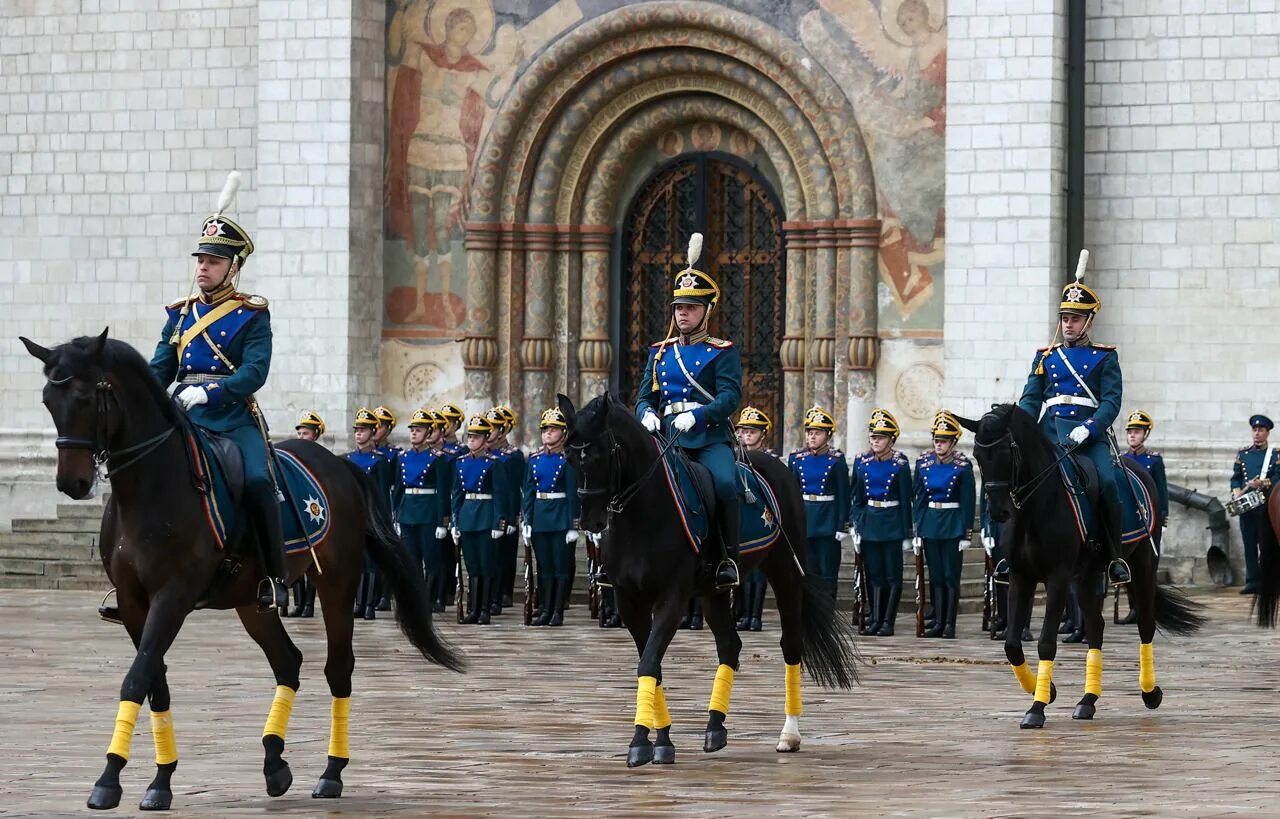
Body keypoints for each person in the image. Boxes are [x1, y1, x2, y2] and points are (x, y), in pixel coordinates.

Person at [148, 204, 287, 611]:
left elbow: (255, 372)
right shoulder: (179, 314)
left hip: (231, 416)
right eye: (201, 260)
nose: (203, 268)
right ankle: (135, 571)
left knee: (260, 481)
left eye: (213, 261)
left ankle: (273, 577)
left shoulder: (251, 314)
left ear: (234, 267)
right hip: (183, 416)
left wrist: (211, 392)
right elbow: (160, 369)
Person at [633, 233, 743, 590]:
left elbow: (730, 397)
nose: (683, 312)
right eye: (679, 307)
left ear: (707, 311)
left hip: (707, 438)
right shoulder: (659, 352)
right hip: (667, 438)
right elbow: (643, 397)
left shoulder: (721, 351)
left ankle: (727, 559)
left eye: (691, 307)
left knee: (726, 483)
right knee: (630, 486)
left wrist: (698, 415)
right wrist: (645, 414)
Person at [1016, 269, 1131, 586]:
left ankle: (1113, 556)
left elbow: (1111, 402)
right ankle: (1007, 552)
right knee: (1012, 478)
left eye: (1076, 318)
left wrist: (1090, 428)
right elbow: (1030, 399)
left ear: (1089, 322)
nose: (1069, 324)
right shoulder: (1045, 357)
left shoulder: (1104, 357)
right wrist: (1023, 429)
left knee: (1108, 482)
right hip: (1049, 433)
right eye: (1065, 317)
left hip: (1087, 437)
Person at [912, 410, 976, 639]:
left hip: (952, 525)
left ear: (953, 442)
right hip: (931, 524)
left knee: (951, 577)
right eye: (937, 440)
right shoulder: (924, 464)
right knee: (936, 576)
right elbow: (919, 498)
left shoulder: (962, 466)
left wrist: (967, 533)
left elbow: (968, 502)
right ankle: (937, 621)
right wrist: (917, 528)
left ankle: (950, 623)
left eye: (944, 441)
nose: (939, 445)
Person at [851, 408, 913, 637]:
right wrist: (857, 524)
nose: (875, 441)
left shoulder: (900, 465)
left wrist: (908, 533)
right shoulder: (862, 463)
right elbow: (857, 498)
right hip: (870, 523)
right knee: (873, 575)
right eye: (873, 437)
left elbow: (906, 500)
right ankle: (875, 619)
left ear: (891, 440)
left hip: (893, 524)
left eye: (880, 437)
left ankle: (888, 620)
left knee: (892, 576)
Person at [522, 408, 580, 626]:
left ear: (563, 434)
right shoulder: (534, 459)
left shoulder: (567, 460)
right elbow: (528, 492)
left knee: (560, 568)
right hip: (540, 517)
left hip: (559, 518)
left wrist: (573, 524)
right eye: (545, 429)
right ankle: (545, 609)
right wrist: (527, 520)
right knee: (544, 567)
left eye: (553, 430)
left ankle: (557, 610)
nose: (547, 433)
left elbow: (572, 494)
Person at [451, 415, 511, 625]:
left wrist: (499, 523)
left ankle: (484, 609)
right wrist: (455, 522)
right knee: (473, 567)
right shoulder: (461, 462)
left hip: (486, 517)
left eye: (477, 437)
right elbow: (457, 495)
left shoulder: (494, 464)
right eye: (470, 437)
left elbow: (500, 496)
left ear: (486, 439)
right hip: (468, 516)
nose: (472, 441)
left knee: (486, 566)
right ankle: (473, 609)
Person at [787, 407, 851, 605]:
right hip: (805, 521)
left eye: (818, 433)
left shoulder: (836, 460)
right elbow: (791, 494)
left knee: (827, 574)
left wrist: (842, 524)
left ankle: (827, 614)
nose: (812, 437)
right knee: (808, 573)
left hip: (827, 522)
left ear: (828, 435)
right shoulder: (797, 459)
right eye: (809, 432)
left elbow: (843, 495)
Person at [396, 409, 452, 614]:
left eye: (418, 430)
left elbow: (442, 493)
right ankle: (417, 599)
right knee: (411, 560)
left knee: (432, 559)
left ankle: (432, 597)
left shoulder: (437, 458)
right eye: (412, 430)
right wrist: (397, 515)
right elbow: (399, 489)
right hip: (408, 512)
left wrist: (442, 522)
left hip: (428, 513)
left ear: (429, 433)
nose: (414, 434)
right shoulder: (403, 457)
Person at [1118, 409, 1168, 622]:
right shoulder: (1121, 460)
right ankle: (1133, 608)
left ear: (1145, 434)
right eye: (1130, 432)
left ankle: (1146, 607)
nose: (1132, 435)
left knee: (1148, 565)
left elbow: (1161, 492)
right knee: (1127, 564)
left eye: (1137, 432)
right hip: (1129, 521)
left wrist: (1162, 518)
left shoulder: (1153, 460)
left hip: (1149, 520)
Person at [344, 408, 395, 620]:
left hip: (371, 514)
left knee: (371, 561)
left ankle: (369, 605)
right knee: (356, 560)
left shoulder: (379, 460)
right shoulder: (348, 458)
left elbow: (382, 492)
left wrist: (382, 518)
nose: (358, 434)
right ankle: (359, 602)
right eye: (357, 430)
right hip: (352, 514)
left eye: (363, 430)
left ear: (373, 432)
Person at [735, 406, 775, 631]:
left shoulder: (769, 460)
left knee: (758, 572)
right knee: (742, 570)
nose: (747, 435)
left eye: (752, 431)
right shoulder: (734, 457)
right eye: (744, 431)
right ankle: (742, 614)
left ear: (763, 434)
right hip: (741, 519)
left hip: (763, 519)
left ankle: (755, 615)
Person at [1231, 414, 1280, 594]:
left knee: (1267, 545)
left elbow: (1278, 478)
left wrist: (1263, 483)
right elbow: (1235, 478)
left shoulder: (1274, 454)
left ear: (1267, 433)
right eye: (1255, 430)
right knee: (1249, 544)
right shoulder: (1243, 454)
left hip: (1266, 506)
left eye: (1261, 430)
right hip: (1246, 506)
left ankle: (1270, 581)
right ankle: (1252, 581)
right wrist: (1235, 491)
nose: (1257, 433)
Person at [485, 406, 524, 613]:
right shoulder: (483, 456)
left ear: (501, 431)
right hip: (486, 511)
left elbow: (513, 490)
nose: (487, 433)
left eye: (491, 429)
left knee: (504, 557)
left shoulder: (513, 456)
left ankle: (502, 593)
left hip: (506, 512)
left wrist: (512, 517)